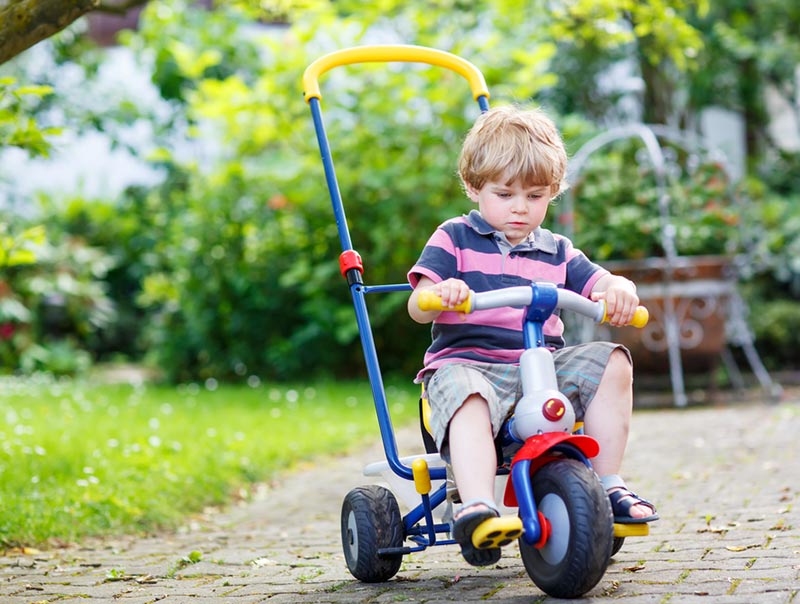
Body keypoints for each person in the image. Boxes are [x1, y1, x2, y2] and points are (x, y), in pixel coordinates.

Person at [407, 104, 658, 567]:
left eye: (536, 195)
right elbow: (417, 304)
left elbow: (601, 284)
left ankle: (607, 485)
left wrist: (620, 291)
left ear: (554, 193)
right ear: (474, 186)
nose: (520, 208)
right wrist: (440, 293)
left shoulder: (557, 249)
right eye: (505, 194)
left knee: (614, 360)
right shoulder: (454, 238)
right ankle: (478, 507)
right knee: (469, 396)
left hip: (540, 368)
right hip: (469, 366)